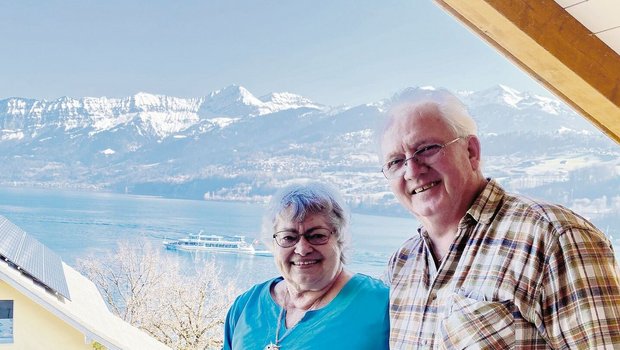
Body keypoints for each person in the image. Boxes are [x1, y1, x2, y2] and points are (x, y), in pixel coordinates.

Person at [379, 89, 620, 349]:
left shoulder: (553, 237)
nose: (413, 170)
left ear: (471, 151)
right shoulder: (403, 263)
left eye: (426, 149)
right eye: (396, 162)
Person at [223, 182, 390, 350]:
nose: (302, 249)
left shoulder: (382, 306)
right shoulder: (246, 306)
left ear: (339, 239)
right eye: (289, 237)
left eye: (317, 235)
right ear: (273, 243)